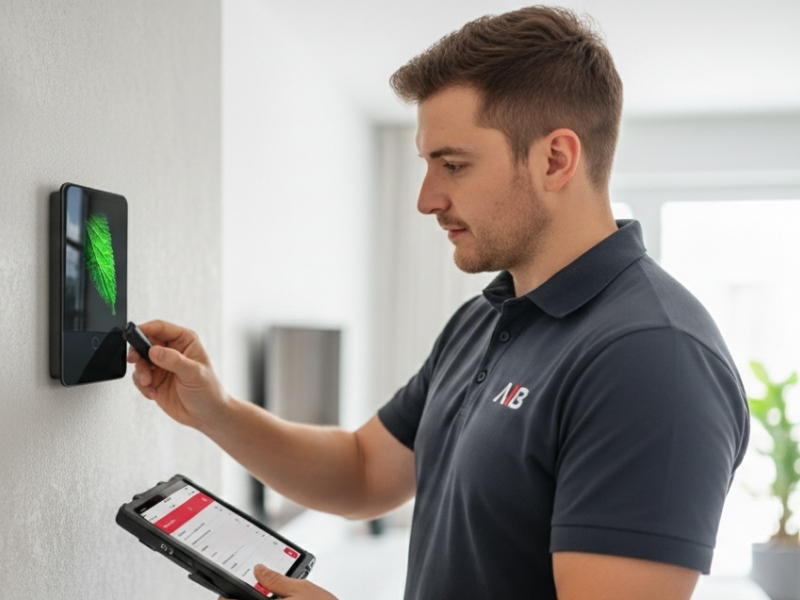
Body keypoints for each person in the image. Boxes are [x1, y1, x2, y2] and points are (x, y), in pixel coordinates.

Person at [129, 6, 749, 600]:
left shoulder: (654, 359)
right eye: (428, 164)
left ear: (555, 159)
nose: (427, 199)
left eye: (453, 165)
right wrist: (215, 409)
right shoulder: (485, 318)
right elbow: (364, 472)